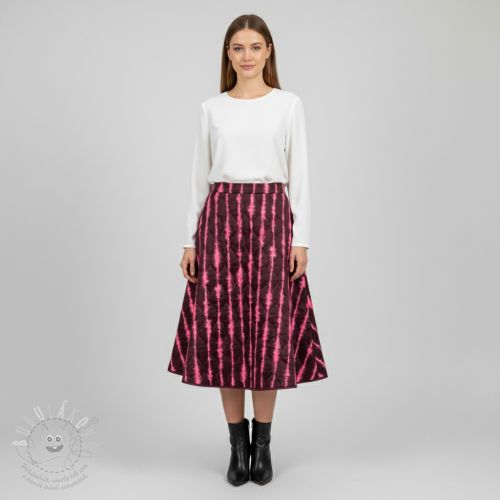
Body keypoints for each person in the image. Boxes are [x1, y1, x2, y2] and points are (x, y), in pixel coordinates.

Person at [167, 13, 329, 486]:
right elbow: (199, 178)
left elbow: (300, 175)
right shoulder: (211, 109)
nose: (247, 56)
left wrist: (301, 239)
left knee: (267, 333)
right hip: (220, 220)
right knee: (225, 333)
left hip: (272, 220)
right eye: (238, 48)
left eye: (255, 47)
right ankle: (237, 446)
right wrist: (189, 240)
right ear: (228, 54)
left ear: (268, 51)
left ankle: (263, 446)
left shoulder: (288, 105)